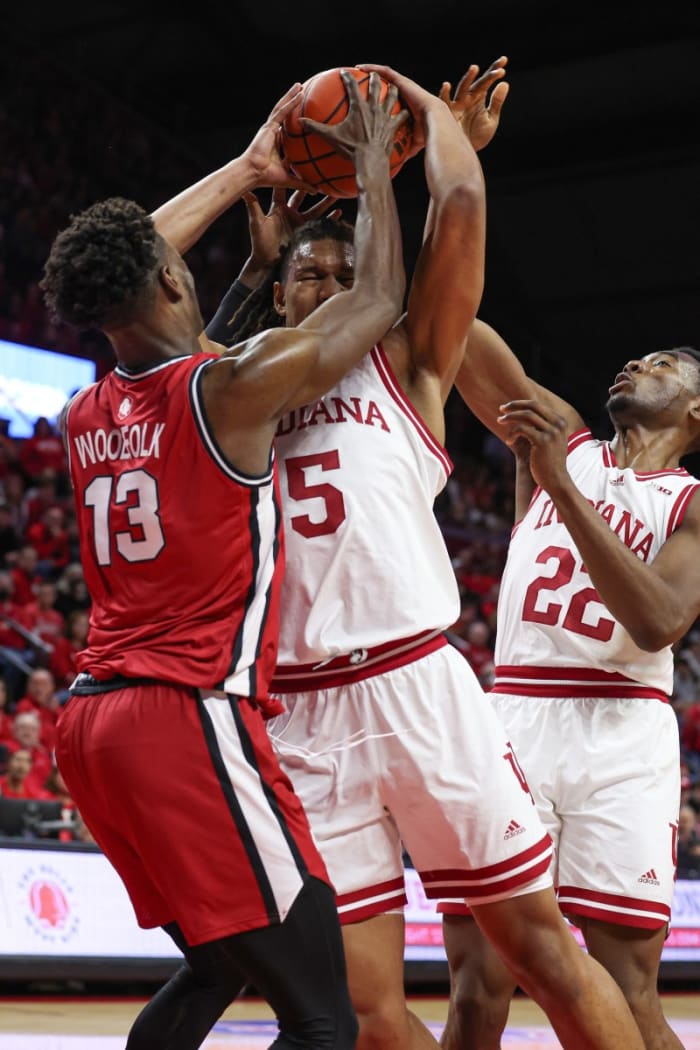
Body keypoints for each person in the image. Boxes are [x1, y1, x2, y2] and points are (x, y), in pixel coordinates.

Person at [206, 59, 646, 1050]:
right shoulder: (235, 397)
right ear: (277, 297)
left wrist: (408, 124)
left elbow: (459, 201)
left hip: (416, 684)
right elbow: (168, 335)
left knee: (536, 949)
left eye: (340, 271)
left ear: (369, 284)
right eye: (302, 275)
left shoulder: (407, 360)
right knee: (360, 1010)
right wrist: (249, 251)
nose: (322, 286)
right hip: (304, 711)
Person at [39, 73, 408, 1050]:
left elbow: (123, 274)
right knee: (323, 1016)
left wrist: (247, 177)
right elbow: (375, 298)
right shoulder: (230, 387)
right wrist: (374, 175)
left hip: (90, 726)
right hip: (184, 715)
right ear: (168, 278)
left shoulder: (88, 411)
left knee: (211, 971)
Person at [436, 333, 700, 1048]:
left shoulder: (689, 503)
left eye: (663, 366)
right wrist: (413, 234)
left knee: (629, 993)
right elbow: (457, 334)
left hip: (623, 732)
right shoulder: (564, 441)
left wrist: (557, 488)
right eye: (637, 359)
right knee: (477, 987)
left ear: (697, 413)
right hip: (516, 717)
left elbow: (657, 623)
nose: (637, 365)